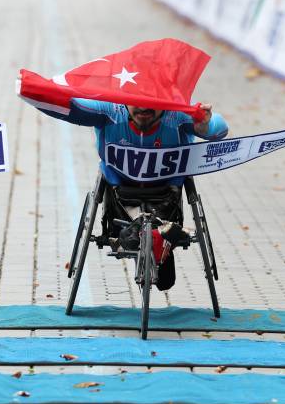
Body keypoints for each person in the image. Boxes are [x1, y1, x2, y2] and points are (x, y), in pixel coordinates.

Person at [44, 100, 228, 289]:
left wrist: (205, 126)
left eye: (151, 102)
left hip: (166, 199)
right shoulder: (110, 110)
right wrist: (30, 88)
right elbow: (67, 106)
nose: (144, 107)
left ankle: (155, 237)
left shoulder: (177, 115)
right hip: (120, 199)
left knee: (164, 278)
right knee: (139, 236)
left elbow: (220, 129)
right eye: (136, 102)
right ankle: (148, 237)